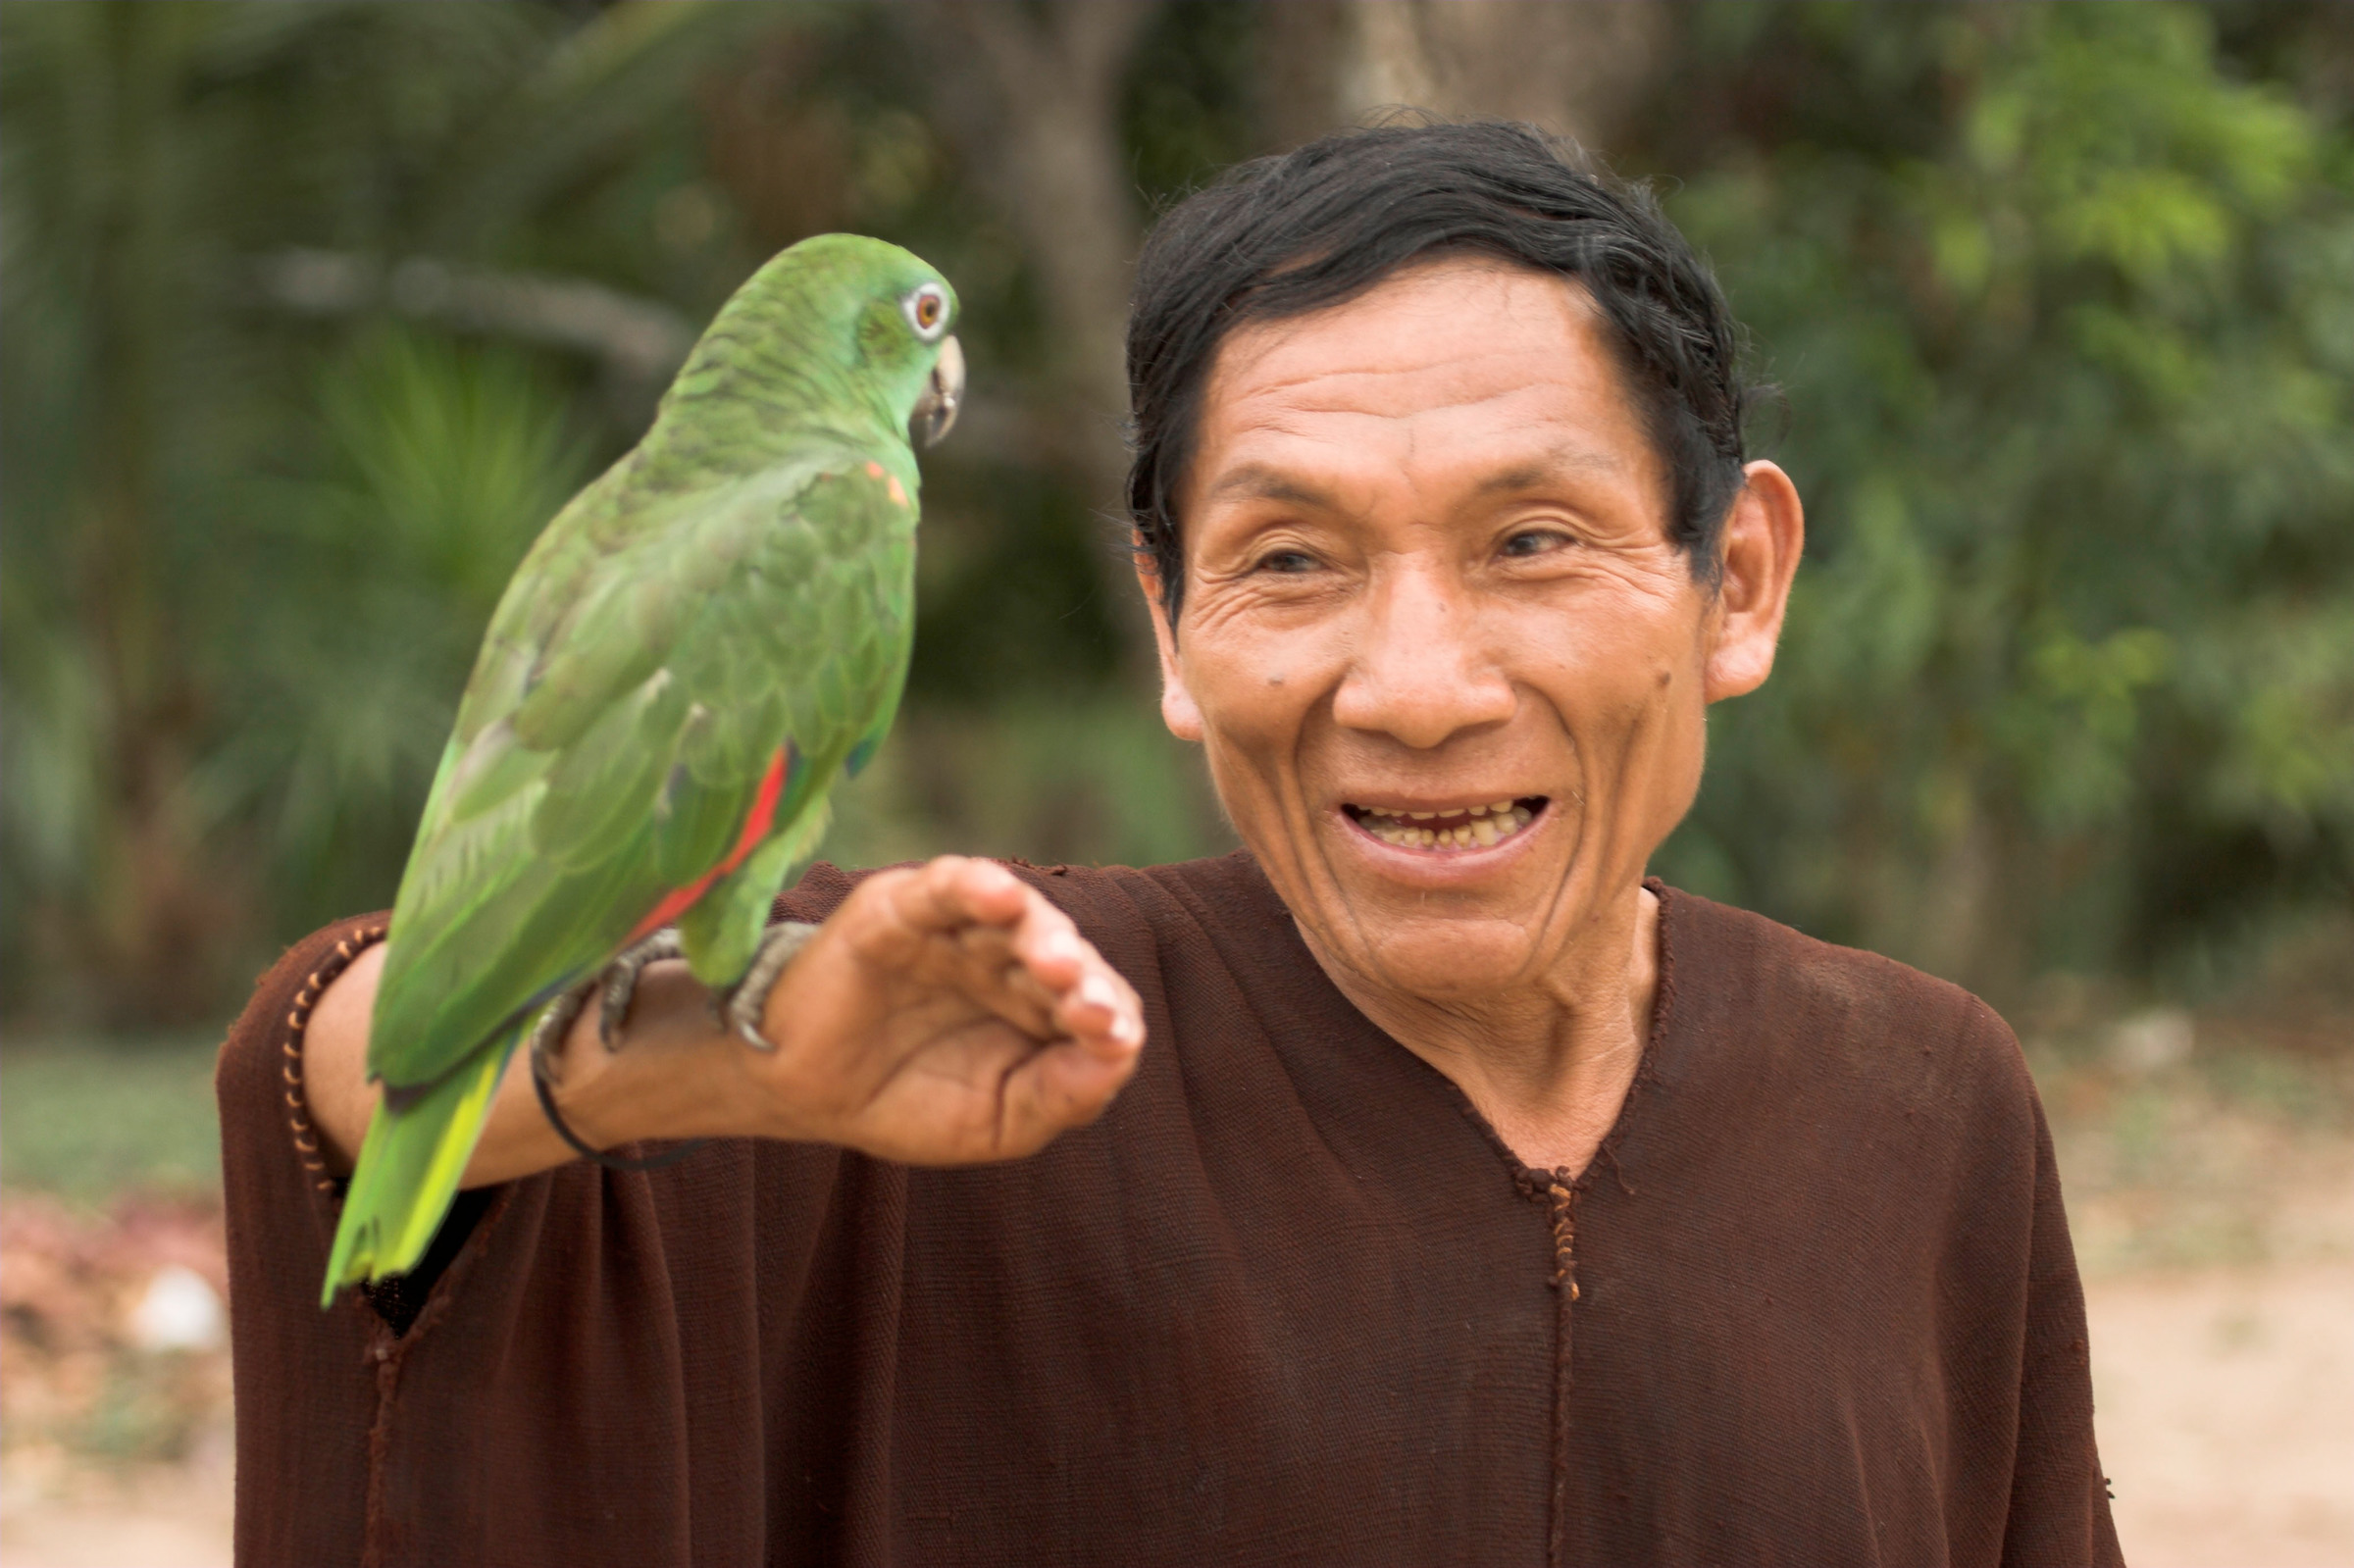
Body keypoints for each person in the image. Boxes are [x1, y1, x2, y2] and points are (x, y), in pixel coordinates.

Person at [219, 122, 2123, 1567]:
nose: (1417, 684)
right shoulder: (949, 1018)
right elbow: (335, 1088)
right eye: (1291, 559)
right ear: (1171, 626)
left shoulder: (1926, 1104)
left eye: (1530, 541)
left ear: (1738, 582)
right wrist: (696, 1056)